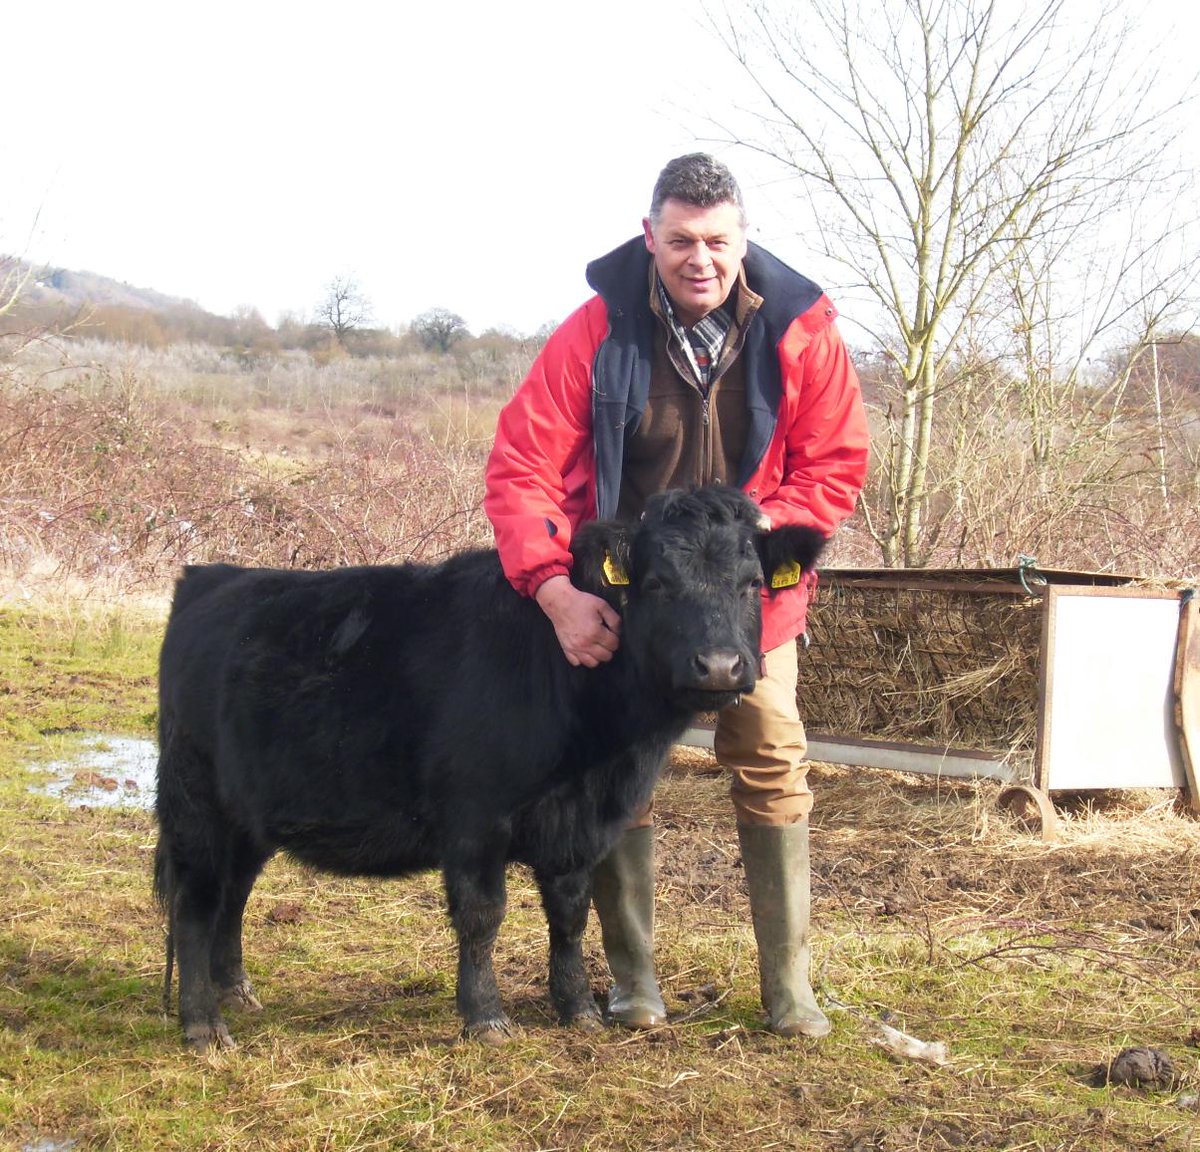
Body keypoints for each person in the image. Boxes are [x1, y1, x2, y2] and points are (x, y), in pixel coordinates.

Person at [484, 153, 869, 1038]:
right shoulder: (595, 332)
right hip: (633, 597)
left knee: (772, 751)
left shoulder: (803, 333)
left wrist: (753, 532)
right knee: (619, 776)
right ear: (649, 234)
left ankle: (790, 990)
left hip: (745, 595)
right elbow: (523, 469)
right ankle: (634, 985)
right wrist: (553, 588)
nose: (702, 259)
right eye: (682, 240)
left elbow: (834, 465)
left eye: (719, 241)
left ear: (743, 238)